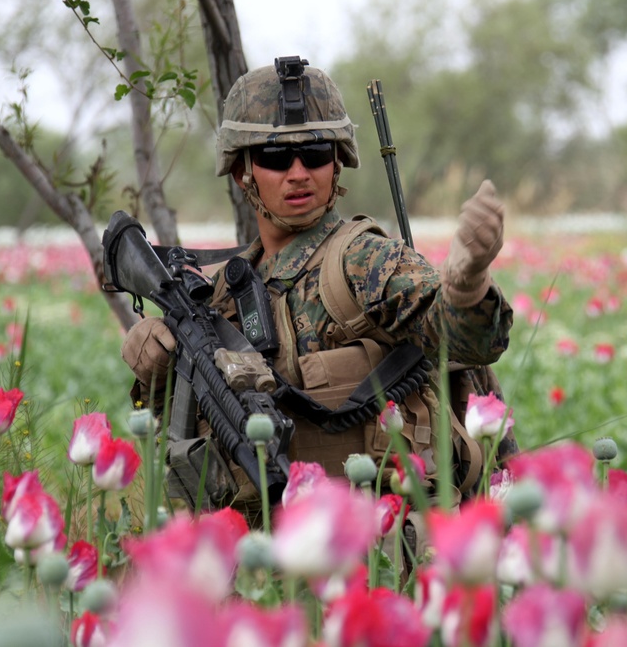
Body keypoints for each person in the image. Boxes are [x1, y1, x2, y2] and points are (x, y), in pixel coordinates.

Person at [120, 56, 514, 518]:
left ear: (337, 165)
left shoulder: (362, 259)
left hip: (374, 551)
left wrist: (467, 286)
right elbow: (176, 432)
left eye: (316, 154)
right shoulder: (223, 294)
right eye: (275, 157)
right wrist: (154, 361)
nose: (299, 172)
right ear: (242, 171)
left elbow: (460, 337)